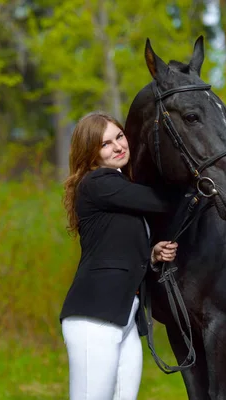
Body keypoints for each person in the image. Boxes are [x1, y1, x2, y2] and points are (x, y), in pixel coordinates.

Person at [60, 111, 178, 400]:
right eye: (105, 144)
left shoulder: (116, 187)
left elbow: (115, 246)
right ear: (91, 153)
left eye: (120, 137)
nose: (118, 146)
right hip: (94, 318)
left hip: (125, 316)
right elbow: (160, 202)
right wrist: (197, 179)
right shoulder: (99, 182)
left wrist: (151, 255)